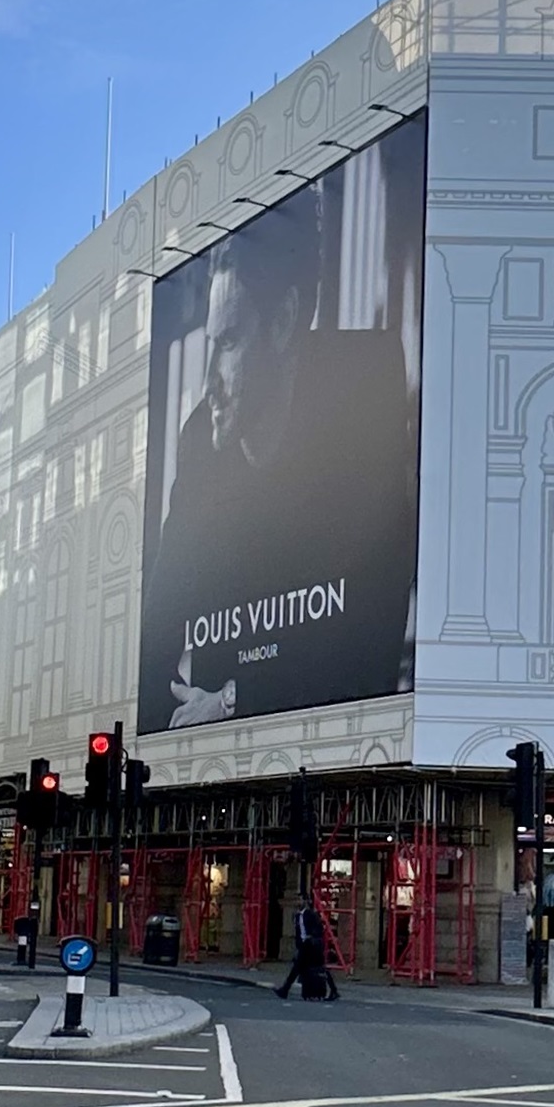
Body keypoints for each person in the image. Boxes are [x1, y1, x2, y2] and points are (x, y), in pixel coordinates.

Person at [137, 177, 419, 734]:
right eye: (209, 345)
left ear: (286, 319)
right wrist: (168, 723)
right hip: (217, 756)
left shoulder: (364, 383)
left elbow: (367, 632)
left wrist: (232, 698)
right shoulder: (201, 438)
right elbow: (159, 621)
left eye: (230, 343)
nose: (211, 383)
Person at [273, 895, 338, 1002]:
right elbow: (298, 933)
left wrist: (311, 936)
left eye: (300, 899)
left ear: (305, 901)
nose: (299, 902)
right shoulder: (297, 916)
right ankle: (285, 990)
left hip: (312, 946)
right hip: (304, 946)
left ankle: (285, 990)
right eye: (298, 899)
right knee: (298, 967)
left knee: (319, 968)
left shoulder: (311, 914)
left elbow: (319, 929)